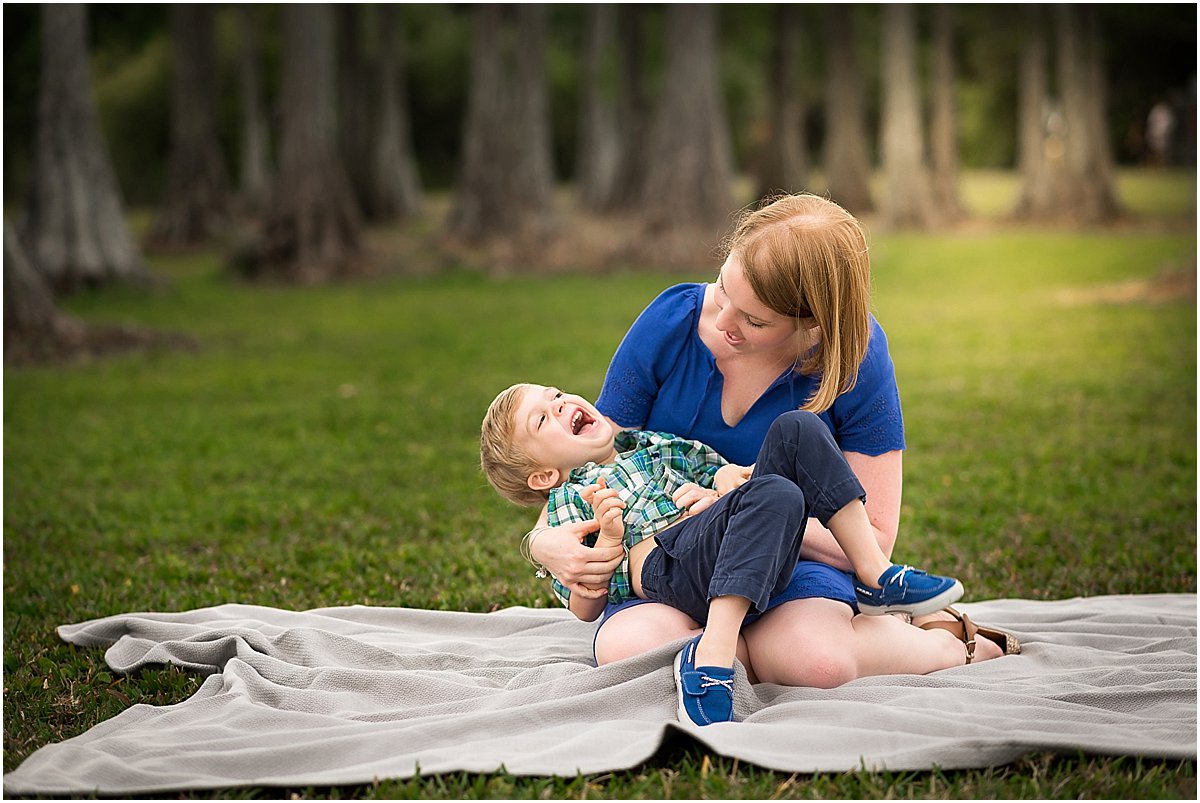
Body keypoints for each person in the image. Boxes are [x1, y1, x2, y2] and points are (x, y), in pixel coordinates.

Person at [524, 193, 1020, 689]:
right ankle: (748, 648)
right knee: (631, 649)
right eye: (722, 290)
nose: (721, 323)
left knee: (816, 665)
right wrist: (540, 543)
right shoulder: (669, 322)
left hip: (796, 567)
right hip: (678, 567)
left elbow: (871, 538)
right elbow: (593, 463)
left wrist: (738, 508)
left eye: (754, 321)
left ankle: (943, 640)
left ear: (813, 324)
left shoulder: (857, 358)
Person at [481, 383, 966, 725]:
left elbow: (725, 474)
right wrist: (609, 541)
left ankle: (875, 574)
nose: (561, 404)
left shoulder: (653, 444)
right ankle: (714, 657)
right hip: (668, 566)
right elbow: (583, 607)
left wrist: (718, 485)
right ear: (544, 476)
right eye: (542, 418)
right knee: (774, 495)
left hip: (735, 542)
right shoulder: (569, 500)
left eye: (556, 394)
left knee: (796, 430)